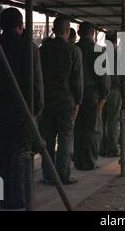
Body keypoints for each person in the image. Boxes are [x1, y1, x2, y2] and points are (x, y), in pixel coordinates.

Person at [0, 7, 44, 209]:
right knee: (20, 156)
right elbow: (36, 84)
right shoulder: (29, 48)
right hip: (22, 110)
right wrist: (36, 109)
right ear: (21, 25)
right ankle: (18, 198)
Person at [39, 18, 83, 185]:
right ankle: (63, 175)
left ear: (53, 29)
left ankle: (47, 174)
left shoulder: (42, 50)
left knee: (48, 139)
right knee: (65, 137)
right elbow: (77, 80)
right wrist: (78, 102)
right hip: (66, 101)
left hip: (47, 101)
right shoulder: (73, 51)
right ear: (67, 31)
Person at [74, 22, 110, 170]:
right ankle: (89, 162)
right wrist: (104, 95)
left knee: (78, 129)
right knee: (92, 130)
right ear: (93, 33)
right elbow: (103, 76)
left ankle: (77, 160)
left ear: (78, 32)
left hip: (75, 95)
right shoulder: (98, 50)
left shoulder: (74, 48)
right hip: (91, 95)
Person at [100, 32, 122, 157]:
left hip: (102, 92)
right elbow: (124, 76)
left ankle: (101, 148)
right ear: (115, 41)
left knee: (102, 121)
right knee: (113, 121)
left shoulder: (100, 53)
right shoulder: (118, 55)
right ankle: (112, 149)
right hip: (114, 90)